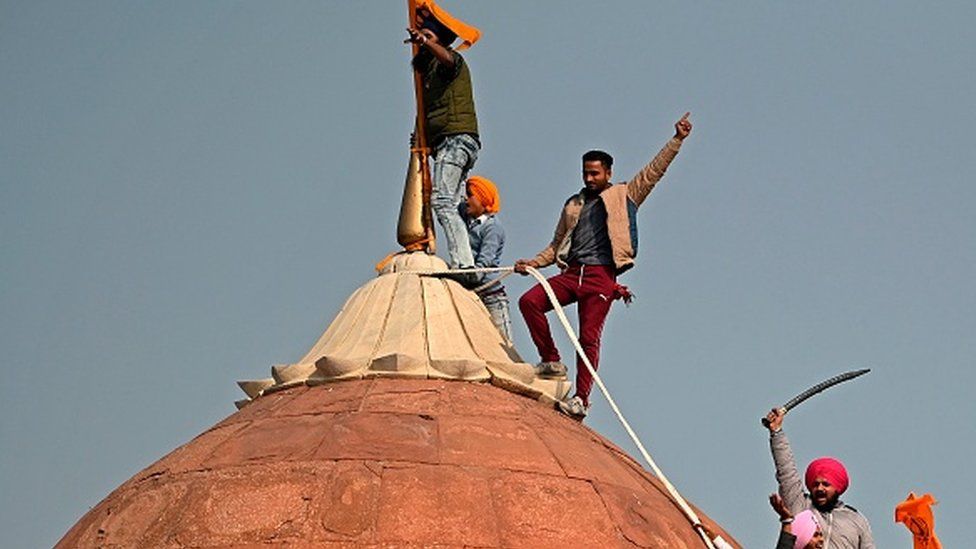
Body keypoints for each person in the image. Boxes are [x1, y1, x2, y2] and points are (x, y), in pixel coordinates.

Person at [514, 113, 693, 419]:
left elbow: (654, 172)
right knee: (529, 301)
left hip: (600, 277)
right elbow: (557, 244)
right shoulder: (573, 204)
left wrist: (676, 140)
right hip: (571, 273)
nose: (589, 179)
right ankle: (551, 359)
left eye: (595, 174)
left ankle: (581, 399)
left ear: (608, 173)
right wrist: (534, 262)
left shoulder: (624, 195)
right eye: (586, 173)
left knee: (588, 338)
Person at [405, 10, 480, 281]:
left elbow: (448, 58)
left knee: (442, 200)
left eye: (429, 36)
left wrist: (425, 42)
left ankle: (464, 265)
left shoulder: (452, 61)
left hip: (456, 139)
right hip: (446, 143)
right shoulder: (428, 75)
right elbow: (427, 110)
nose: (421, 41)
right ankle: (470, 258)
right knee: (457, 206)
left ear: (441, 42)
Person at [764, 408, 875, 548]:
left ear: (838, 488)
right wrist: (776, 432)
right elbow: (786, 471)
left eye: (825, 484)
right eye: (815, 484)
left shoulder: (856, 520)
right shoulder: (800, 505)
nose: (819, 488)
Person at [462, 175, 511, 341]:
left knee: (504, 345)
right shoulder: (469, 220)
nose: (466, 200)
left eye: (470, 195)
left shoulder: (492, 228)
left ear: (482, 198)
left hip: (491, 296)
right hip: (471, 292)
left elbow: (485, 261)